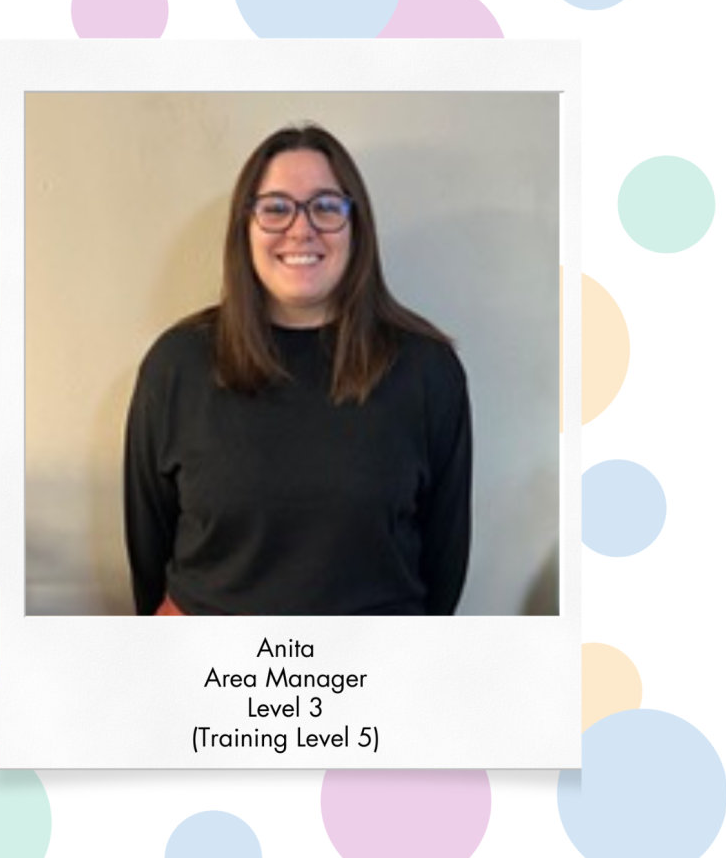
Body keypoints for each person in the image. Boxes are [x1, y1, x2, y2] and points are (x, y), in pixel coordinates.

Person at [123, 124, 471, 616]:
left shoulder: (428, 371)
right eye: (276, 208)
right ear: (245, 228)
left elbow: (444, 560)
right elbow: (147, 554)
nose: (301, 228)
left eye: (326, 206)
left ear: (357, 226)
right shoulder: (175, 365)